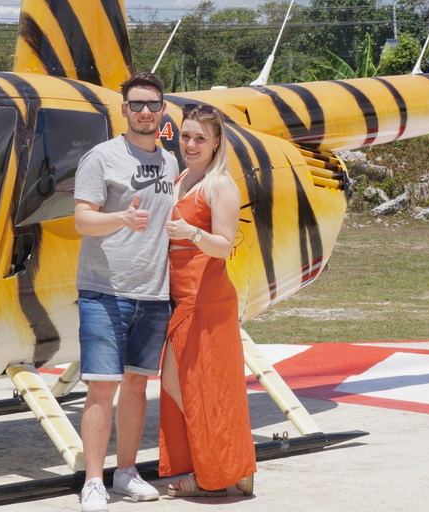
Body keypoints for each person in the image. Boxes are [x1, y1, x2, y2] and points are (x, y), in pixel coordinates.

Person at [73, 71, 178, 512]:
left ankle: (127, 471)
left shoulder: (171, 162)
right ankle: (94, 481)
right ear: (124, 110)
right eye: (136, 105)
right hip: (105, 290)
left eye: (152, 105)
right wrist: (121, 220)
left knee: (136, 387)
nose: (145, 112)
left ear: (163, 111)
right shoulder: (102, 158)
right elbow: (82, 220)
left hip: (154, 293)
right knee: (102, 388)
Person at [159, 103, 257, 497]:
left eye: (201, 138)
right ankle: (231, 464)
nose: (191, 144)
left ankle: (215, 472)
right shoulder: (184, 177)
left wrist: (190, 233)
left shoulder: (220, 185)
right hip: (183, 296)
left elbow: (224, 245)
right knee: (194, 384)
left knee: (201, 386)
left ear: (217, 143)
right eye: (186, 136)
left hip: (205, 297)